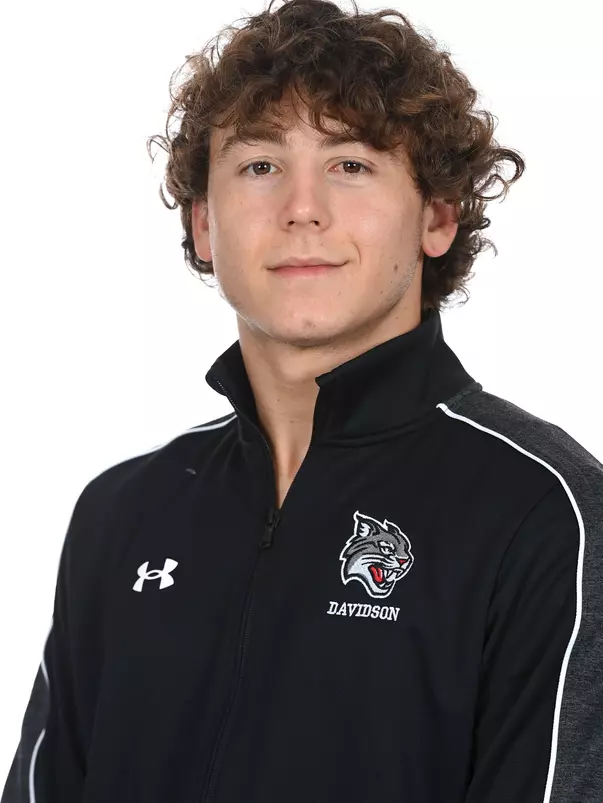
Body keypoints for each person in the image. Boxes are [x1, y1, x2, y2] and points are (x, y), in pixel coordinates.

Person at [2, 0, 602, 801]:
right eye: (259, 165)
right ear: (204, 225)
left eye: (350, 163)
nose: (301, 207)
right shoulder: (122, 512)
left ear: (437, 215)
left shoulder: (545, 513)